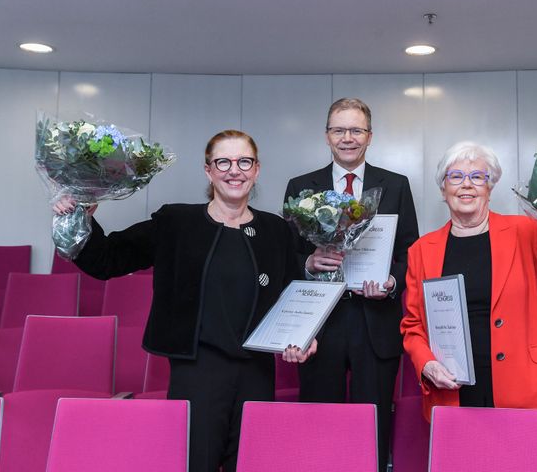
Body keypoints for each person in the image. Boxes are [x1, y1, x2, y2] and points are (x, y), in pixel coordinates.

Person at [53, 130, 312, 472]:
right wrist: (78, 214)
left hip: (257, 373)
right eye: (224, 162)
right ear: (208, 171)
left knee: (252, 463)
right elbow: (107, 260)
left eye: (244, 161)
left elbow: (292, 297)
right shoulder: (176, 222)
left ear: (256, 169)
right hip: (198, 372)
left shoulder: (276, 230)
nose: (234, 170)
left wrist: (303, 338)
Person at [400, 141, 537, 422]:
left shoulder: (524, 231)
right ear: (443, 189)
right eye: (456, 177)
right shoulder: (422, 250)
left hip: (525, 383)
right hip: (453, 387)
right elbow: (413, 325)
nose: (466, 185)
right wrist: (426, 364)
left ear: (490, 187)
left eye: (477, 177)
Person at [284, 98, 419, 471]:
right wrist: (308, 262)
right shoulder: (300, 186)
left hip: (374, 320)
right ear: (327, 136)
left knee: (373, 420)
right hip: (319, 325)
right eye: (339, 130)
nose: (348, 138)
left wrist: (391, 280)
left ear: (370, 136)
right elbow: (284, 256)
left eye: (356, 130)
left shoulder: (395, 185)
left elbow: (410, 250)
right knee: (318, 419)